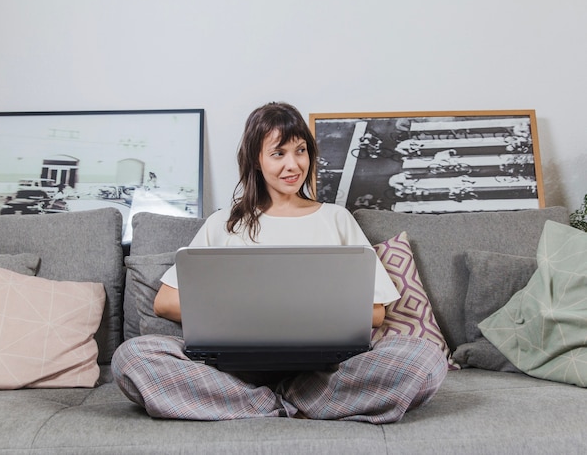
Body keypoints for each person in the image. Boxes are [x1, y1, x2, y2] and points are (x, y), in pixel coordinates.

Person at [111, 102, 448, 423]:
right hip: (233, 369)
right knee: (132, 358)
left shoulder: (337, 218)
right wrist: (251, 312)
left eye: (300, 150)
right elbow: (165, 302)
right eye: (278, 153)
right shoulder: (225, 222)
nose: (293, 165)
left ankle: (280, 399)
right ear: (256, 161)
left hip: (323, 371)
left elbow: (375, 313)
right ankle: (278, 403)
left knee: (425, 359)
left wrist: (295, 313)